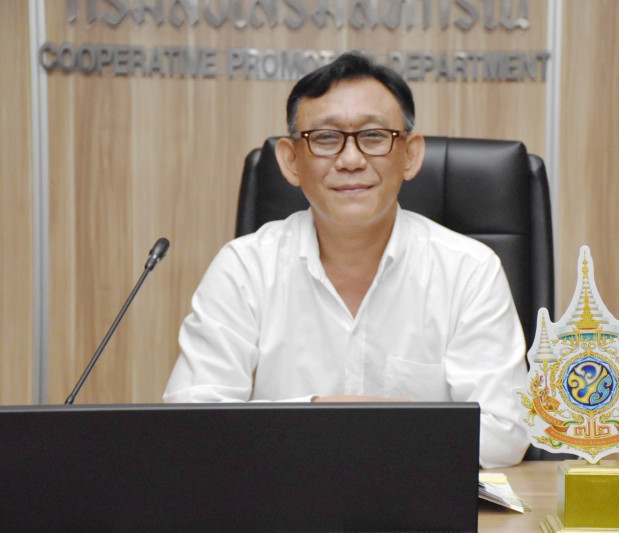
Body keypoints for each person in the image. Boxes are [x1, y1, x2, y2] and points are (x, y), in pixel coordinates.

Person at [163, 52, 529, 468]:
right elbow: (190, 421)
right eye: (325, 138)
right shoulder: (244, 268)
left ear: (410, 155)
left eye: (373, 136)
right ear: (290, 160)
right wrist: (326, 412)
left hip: (420, 500)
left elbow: (503, 435)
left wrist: (333, 423)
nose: (351, 160)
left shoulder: (469, 270)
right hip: (282, 497)